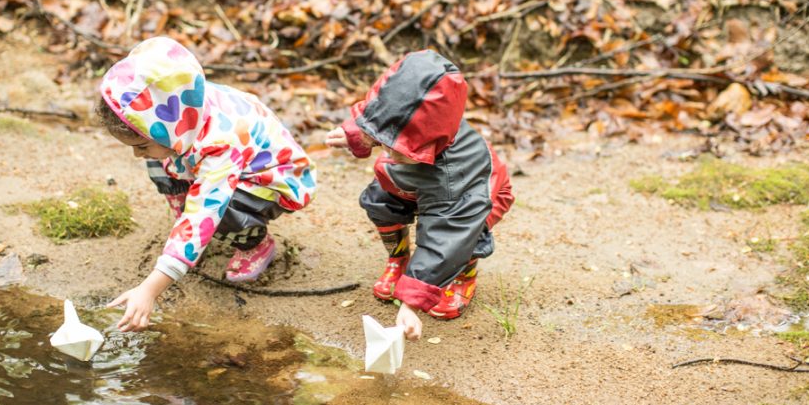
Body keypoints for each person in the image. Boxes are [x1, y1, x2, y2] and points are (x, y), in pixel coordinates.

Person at [97, 37, 315, 332]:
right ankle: (183, 232)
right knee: (157, 161)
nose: (135, 153)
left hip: (269, 179)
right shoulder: (180, 109)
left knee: (223, 211)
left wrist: (149, 289)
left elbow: (206, 210)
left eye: (140, 144)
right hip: (203, 161)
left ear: (170, 127)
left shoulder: (220, 143)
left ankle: (256, 245)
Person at [325, 50, 513, 340]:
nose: (387, 150)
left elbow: (447, 234)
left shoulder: (454, 176)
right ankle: (399, 258)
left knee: (463, 235)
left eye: (399, 148)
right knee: (380, 199)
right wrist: (359, 133)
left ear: (431, 139)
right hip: (415, 178)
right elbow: (388, 114)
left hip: (474, 195)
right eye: (385, 142)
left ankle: (463, 273)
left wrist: (411, 302)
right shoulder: (406, 129)